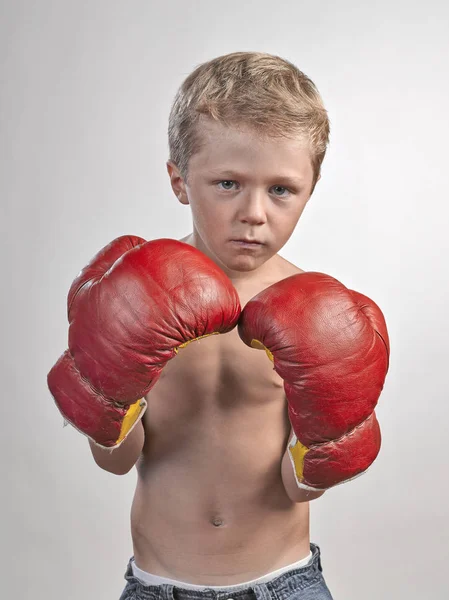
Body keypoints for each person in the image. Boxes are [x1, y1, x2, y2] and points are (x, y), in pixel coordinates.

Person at [48, 51, 389, 600]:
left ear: (311, 189)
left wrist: (324, 447)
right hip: (158, 585)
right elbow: (116, 462)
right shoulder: (136, 294)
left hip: (286, 583)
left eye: (281, 189)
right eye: (227, 183)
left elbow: (298, 489)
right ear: (180, 180)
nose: (254, 212)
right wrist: (105, 393)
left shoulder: (321, 314)